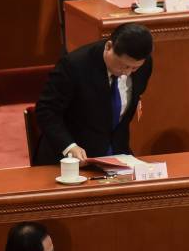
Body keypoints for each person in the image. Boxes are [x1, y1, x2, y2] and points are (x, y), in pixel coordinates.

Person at [35, 23, 153, 165]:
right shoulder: (74, 65)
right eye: (124, 65)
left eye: (134, 68)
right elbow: (46, 110)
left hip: (117, 155)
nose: (127, 72)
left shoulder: (144, 66)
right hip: (71, 159)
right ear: (109, 47)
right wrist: (69, 147)